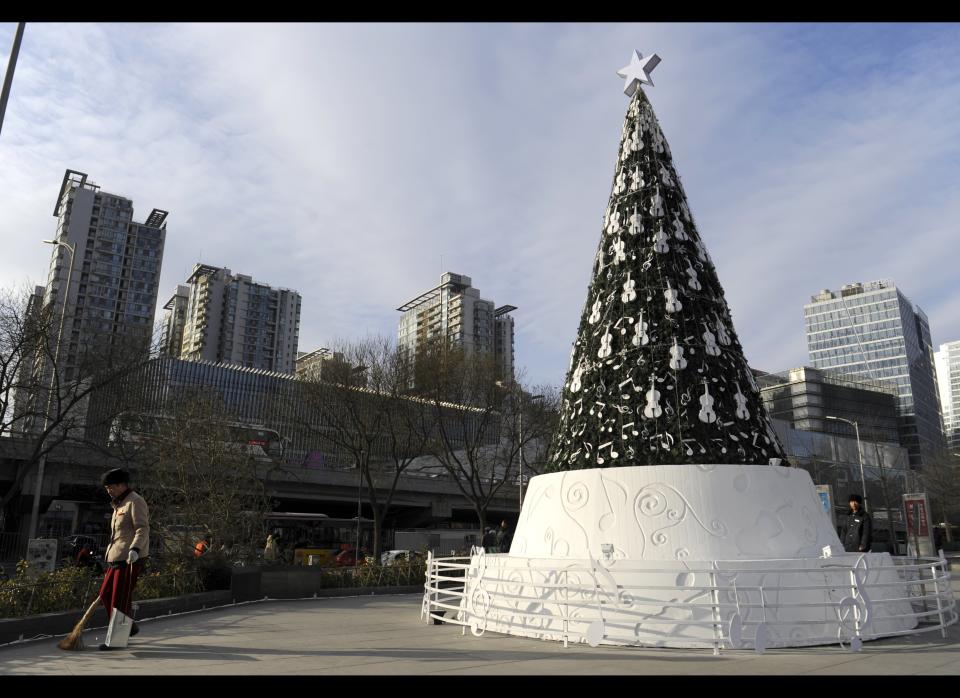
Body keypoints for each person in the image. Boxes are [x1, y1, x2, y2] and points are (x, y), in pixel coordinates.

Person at [99, 468, 149, 649]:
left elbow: (142, 528)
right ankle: (130, 627)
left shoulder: (135, 501)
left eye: (111, 487)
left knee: (119, 600)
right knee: (105, 595)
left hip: (129, 559)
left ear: (122, 485)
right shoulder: (119, 504)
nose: (108, 491)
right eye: (106, 488)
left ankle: (117, 640)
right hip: (115, 557)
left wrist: (135, 548)